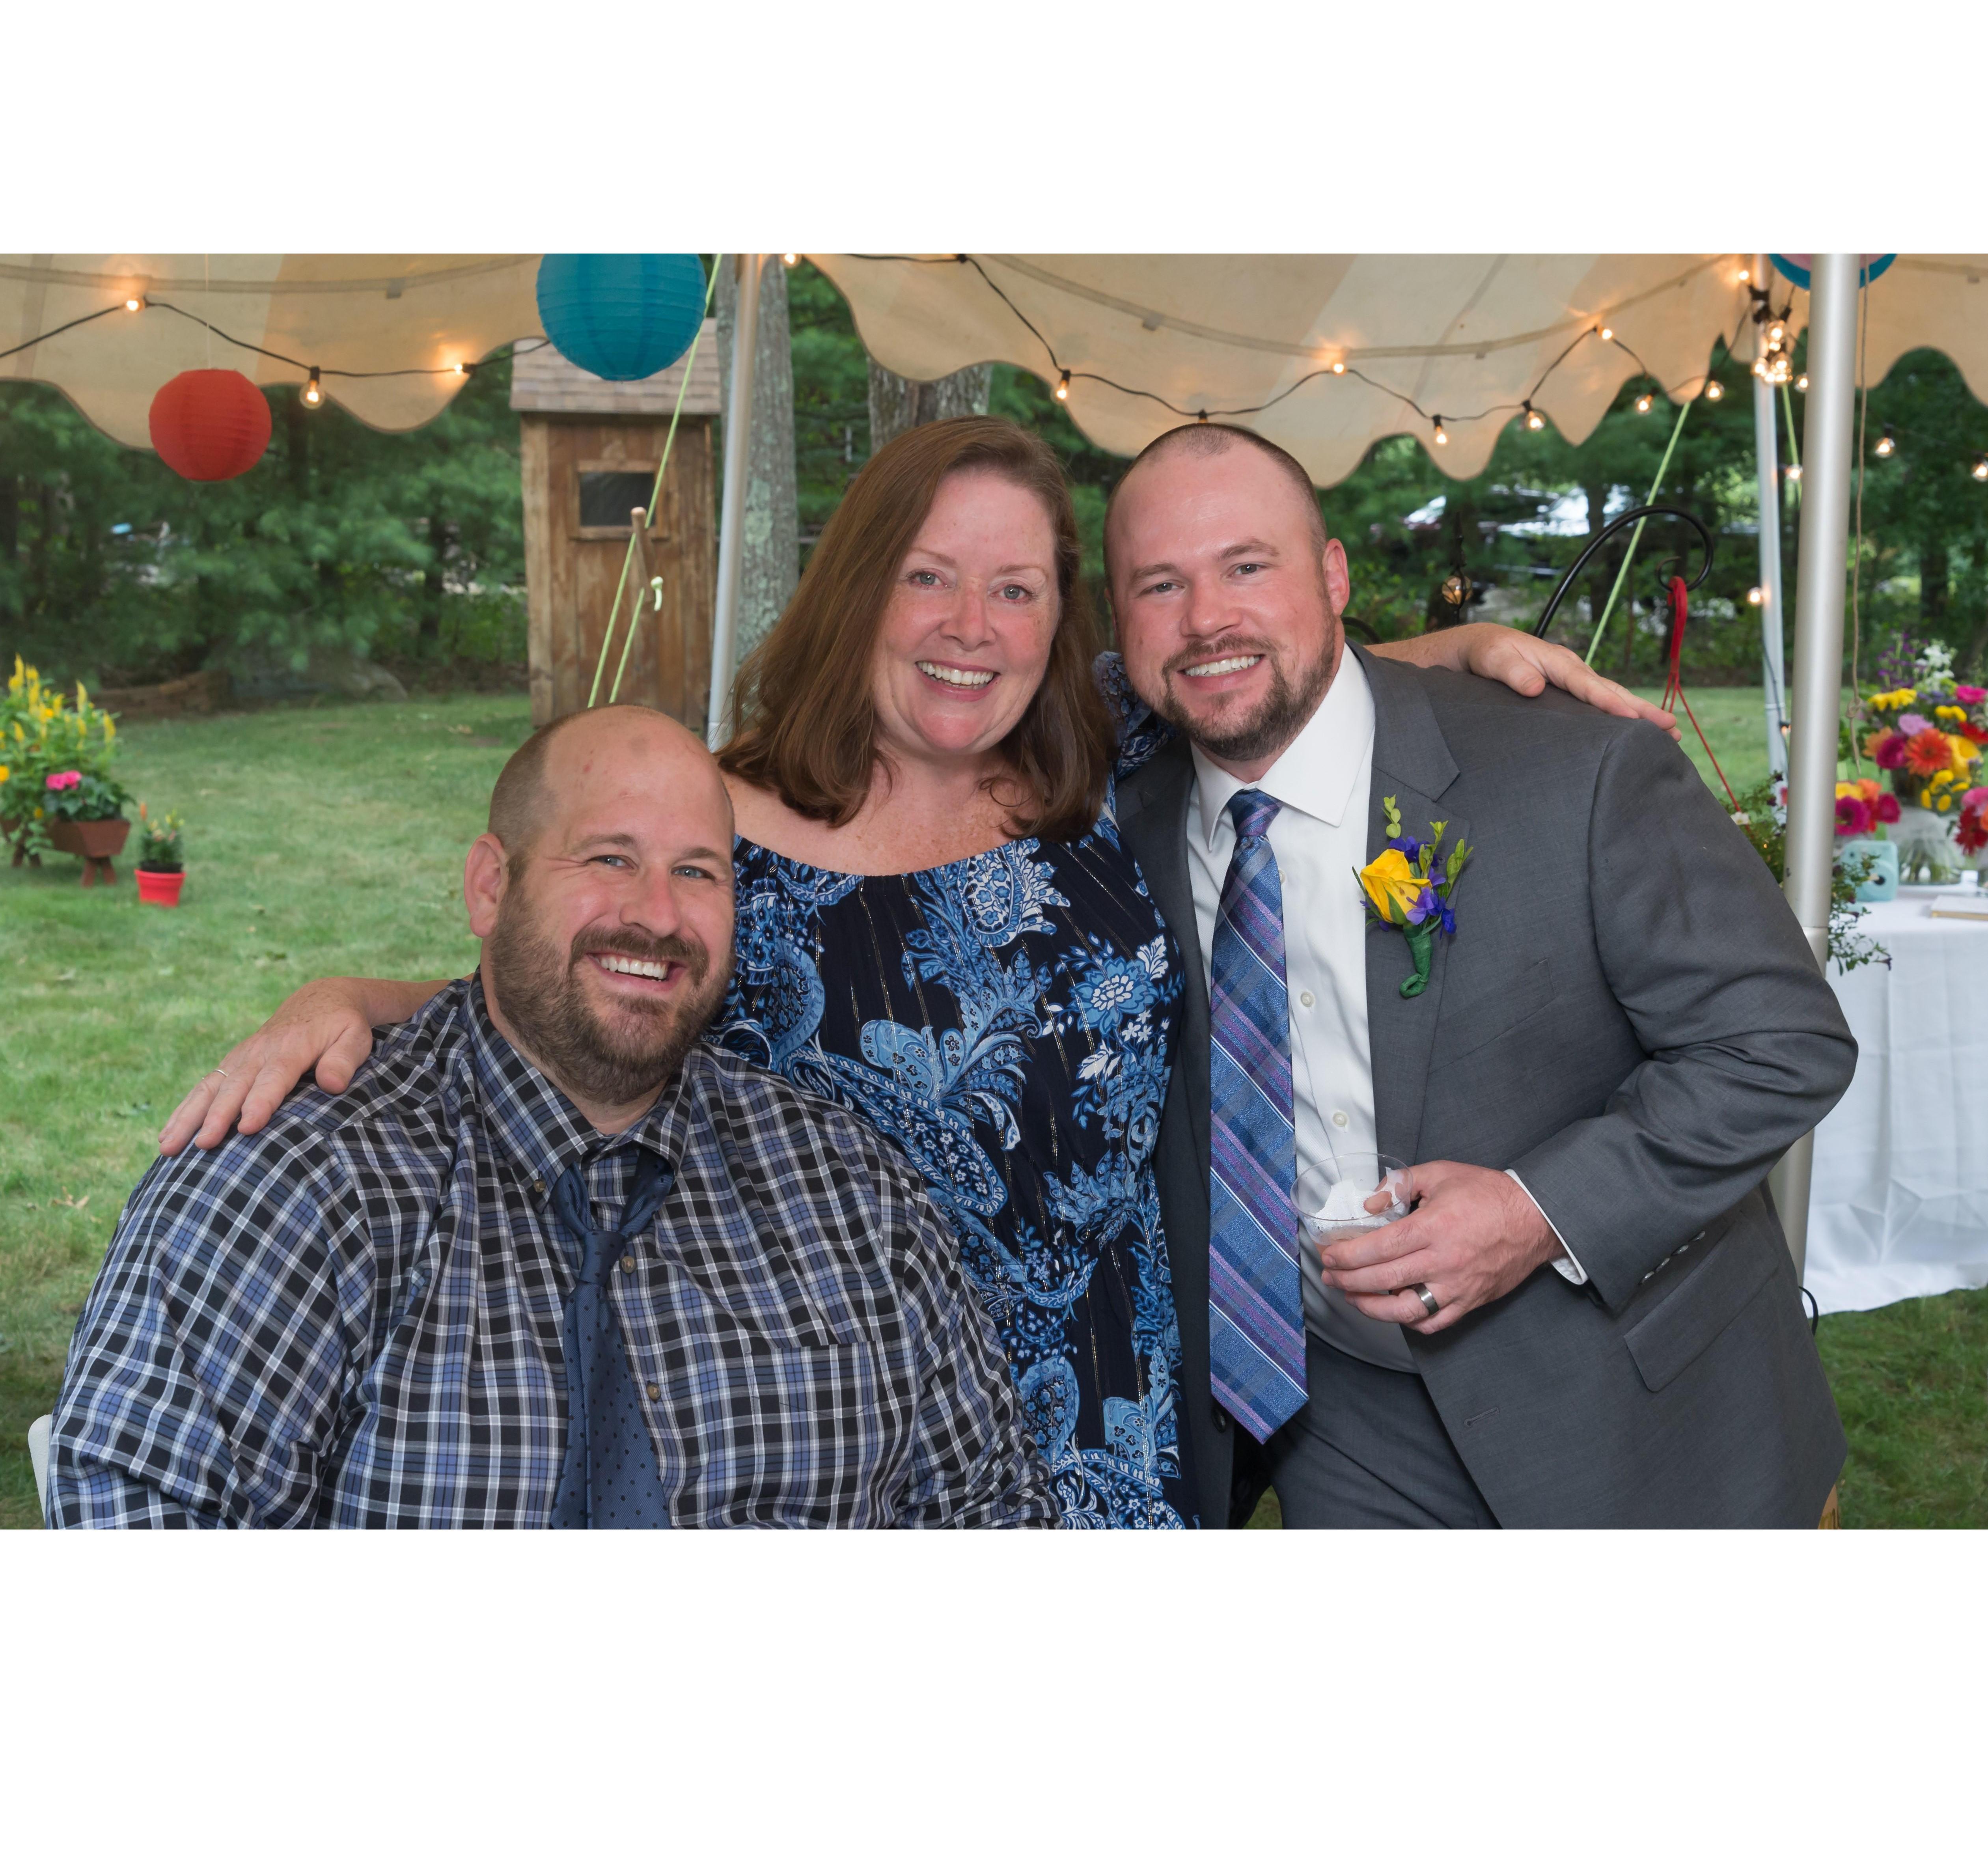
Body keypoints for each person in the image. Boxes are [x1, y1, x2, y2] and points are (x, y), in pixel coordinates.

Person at [153, 416, 1673, 1528]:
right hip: (825, 1430)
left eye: (1017, 589)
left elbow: (1251, 661)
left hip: (1121, 1411)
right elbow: (584, 988)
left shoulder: (1101, 766)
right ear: (857, 588)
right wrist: (356, 1004)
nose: (970, 629)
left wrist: (1466, 649)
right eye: (930, 578)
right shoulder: (721, 830)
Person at [1104, 421, 1856, 1528]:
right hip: (1340, 1432)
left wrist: (1532, 1211)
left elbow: (1779, 1042)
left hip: (1639, 1416)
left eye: (1247, 566)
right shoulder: (1117, 828)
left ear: (1332, 575)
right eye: (1159, 584)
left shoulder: (1574, 768)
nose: (1206, 617)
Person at [48, 707, 1055, 1528]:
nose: (657, 914)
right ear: (492, 885)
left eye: (697, 871)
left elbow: (992, 1516)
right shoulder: (293, 1188)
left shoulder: (848, 1193)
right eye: (609, 858)